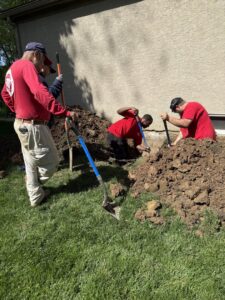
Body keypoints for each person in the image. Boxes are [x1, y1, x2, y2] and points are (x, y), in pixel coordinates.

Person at [1, 42, 76, 207]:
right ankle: (33, 183)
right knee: (51, 163)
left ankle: (35, 196)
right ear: (36, 54)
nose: (42, 66)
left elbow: (5, 94)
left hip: (21, 124)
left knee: (30, 162)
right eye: (42, 61)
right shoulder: (27, 65)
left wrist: (18, 110)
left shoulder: (12, 69)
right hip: (33, 126)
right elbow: (39, 91)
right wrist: (63, 112)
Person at [39, 58, 63, 127]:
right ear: (43, 66)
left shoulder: (40, 78)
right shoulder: (38, 79)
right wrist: (57, 84)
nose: (49, 73)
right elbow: (47, 98)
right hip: (42, 123)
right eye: (49, 69)